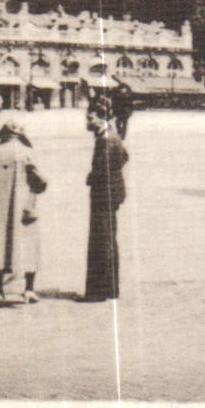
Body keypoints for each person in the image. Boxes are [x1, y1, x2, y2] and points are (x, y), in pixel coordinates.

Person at [0, 120, 46, 306]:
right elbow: (40, 181)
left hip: (1, 205)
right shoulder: (27, 152)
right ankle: (28, 289)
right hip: (24, 206)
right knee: (28, 243)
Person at [83, 114, 129, 301]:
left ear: (101, 119)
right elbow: (125, 156)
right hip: (110, 193)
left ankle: (98, 292)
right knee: (107, 239)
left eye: (90, 118)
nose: (87, 122)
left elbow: (103, 167)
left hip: (104, 194)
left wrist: (92, 177)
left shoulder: (106, 139)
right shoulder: (112, 136)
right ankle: (110, 288)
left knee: (101, 240)